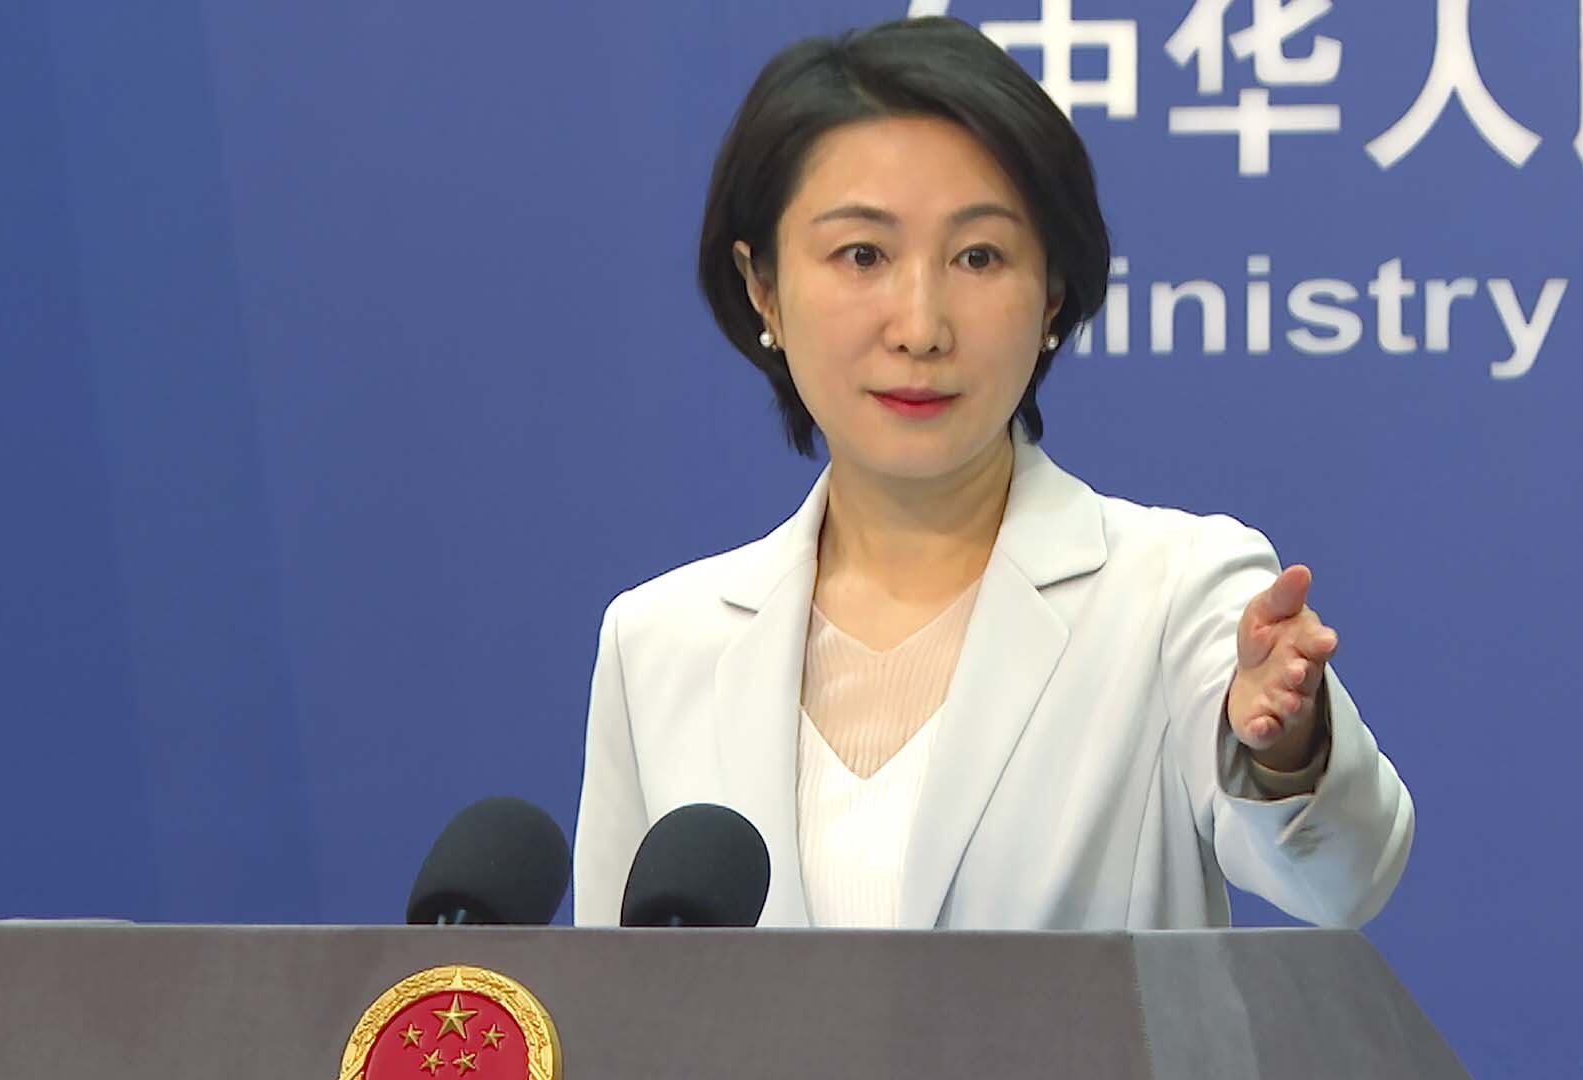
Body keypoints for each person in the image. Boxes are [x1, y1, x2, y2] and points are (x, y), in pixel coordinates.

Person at [573, 16, 1412, 930]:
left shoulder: (1173, 592)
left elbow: (1344, 881)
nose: (921, 326)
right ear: (762, 287)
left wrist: (1285, 749)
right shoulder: (659, 646)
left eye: (979, 257)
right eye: (863, 255)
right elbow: (620, 993)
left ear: (1051, 293)